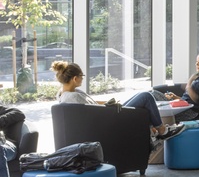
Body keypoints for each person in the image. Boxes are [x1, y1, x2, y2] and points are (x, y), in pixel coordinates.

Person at [53, 59, 184, 142]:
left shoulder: (68, 93)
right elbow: (92, 114)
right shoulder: (73, 98)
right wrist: (110, 107)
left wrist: (110, 102)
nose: (82, 78)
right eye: (81, 76)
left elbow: (92, 104)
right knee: (146, 96)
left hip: (109, 114)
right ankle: (161, 130)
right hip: (110, 120)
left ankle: (154, 130)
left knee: (145, 97)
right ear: (75, 78)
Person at [159, 51, 199, 123]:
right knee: (153, 96)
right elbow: (189, 100)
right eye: (196, 62)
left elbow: (197, 100)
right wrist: (175, 97)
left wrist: (189, 83)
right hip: (185, 107)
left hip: (189, 111)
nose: (197, 64)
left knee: (153, 97)